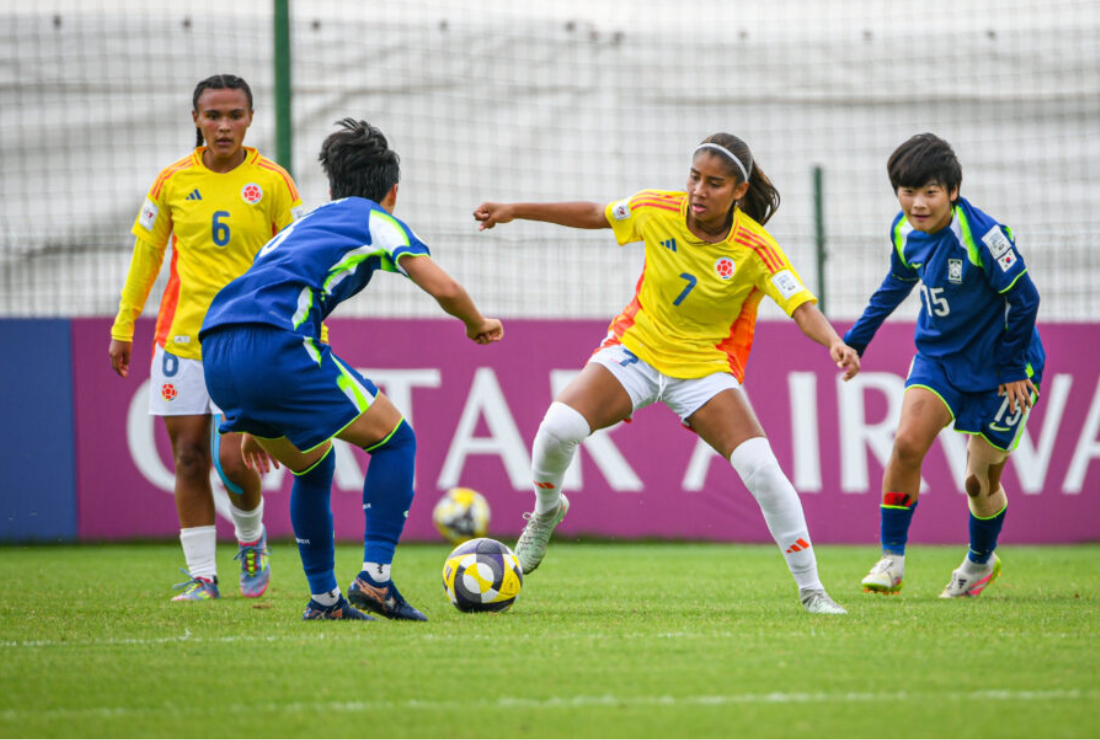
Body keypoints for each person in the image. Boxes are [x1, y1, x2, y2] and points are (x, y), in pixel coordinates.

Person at [473, 132, 859, 615]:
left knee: (762, 469)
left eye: (714, 183)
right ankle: (547, 512)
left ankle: (812, 591)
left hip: (705, 370)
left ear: (738, 191)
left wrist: (835, 343)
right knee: (557, 429)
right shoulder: (657, 208)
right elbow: (596, 214)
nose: (699, 190)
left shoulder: (755, 248)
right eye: (694, 178)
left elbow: (800, 306)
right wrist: (514, 209)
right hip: (637, 349)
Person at [200, 118, 503, 621]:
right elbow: (444, 288)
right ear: (393, 192)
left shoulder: (299, 227)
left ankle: (325, 601)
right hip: (276, 346)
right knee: (396, 439)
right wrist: (478, 322)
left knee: (314, 464)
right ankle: (376, 579)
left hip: (218, 349)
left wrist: (257, 418)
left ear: (331, 185)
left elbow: (269, 290)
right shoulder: (374, 219)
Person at [109, 74, 302, 601]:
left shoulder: (274, 184)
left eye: (234, 115)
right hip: (181, 341)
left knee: (235, 458)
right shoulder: (171, 181)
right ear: (196, 119)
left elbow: (298, 264)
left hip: (246, 344)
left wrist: (308, 331)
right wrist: (124, 326)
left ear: (250, 119)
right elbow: (147, 257)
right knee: (190, 456)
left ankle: (250, 538)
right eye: (213, 115)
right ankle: (202, 577)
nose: (223, 126)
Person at [844, 133, 1045, 598]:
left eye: (929, 192)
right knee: (906, 443)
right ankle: (892, 559)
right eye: (908, 191)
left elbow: (1026, 299)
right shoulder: (902, 230)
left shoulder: (983, 237)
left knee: (978, 482)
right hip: (939, 358)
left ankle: (979, 562)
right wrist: (856, 341)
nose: (917, 203)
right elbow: (895, 283)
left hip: (1003, 369)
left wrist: (1014, 365)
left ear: (952, 191)